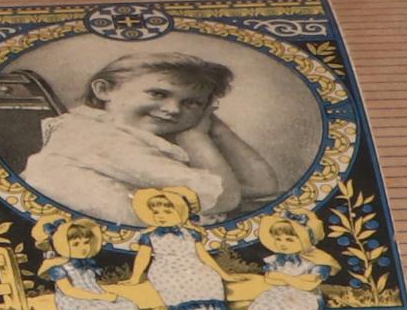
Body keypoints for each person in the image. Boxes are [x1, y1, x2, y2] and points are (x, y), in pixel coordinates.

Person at [22, 53, 285, 226]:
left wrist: (218, 130)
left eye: (192, 103)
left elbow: (262, 187)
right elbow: (223, 198)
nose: (173, 110)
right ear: (104, 90)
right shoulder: (92, 136)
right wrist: (196, 135)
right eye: (158, 94)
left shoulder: (136, 136)